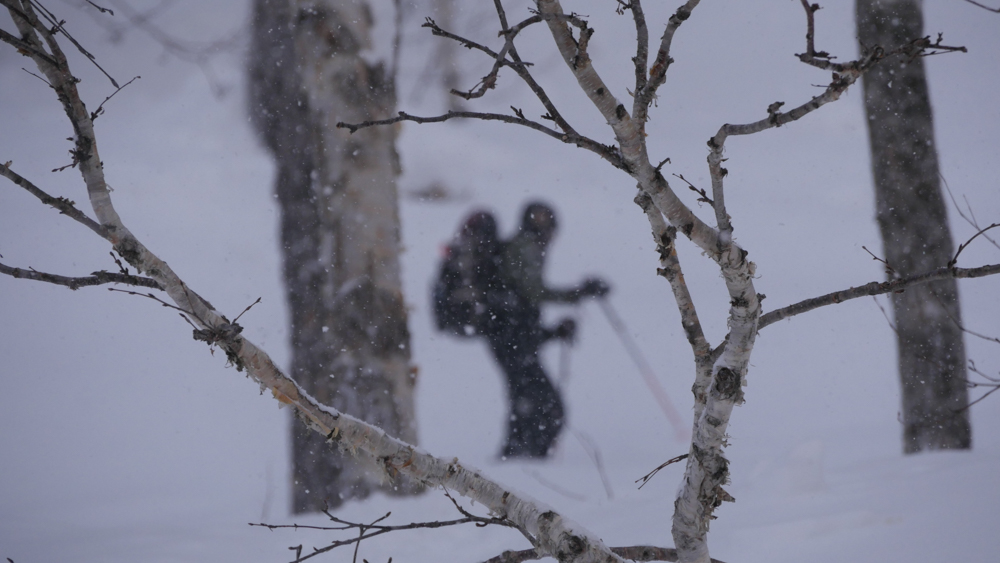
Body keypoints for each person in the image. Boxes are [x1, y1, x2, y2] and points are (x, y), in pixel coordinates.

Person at [483, 202, 609, 459]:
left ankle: (518, 457)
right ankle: (521, 459)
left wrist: (552, 332)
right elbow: (532, 294)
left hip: (508, 338)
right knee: (544, 405)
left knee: (528, 399)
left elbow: (521, 308)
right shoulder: (525, 248)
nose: (551, 238)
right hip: (510, 339)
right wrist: (578, 293)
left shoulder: (520, 247)